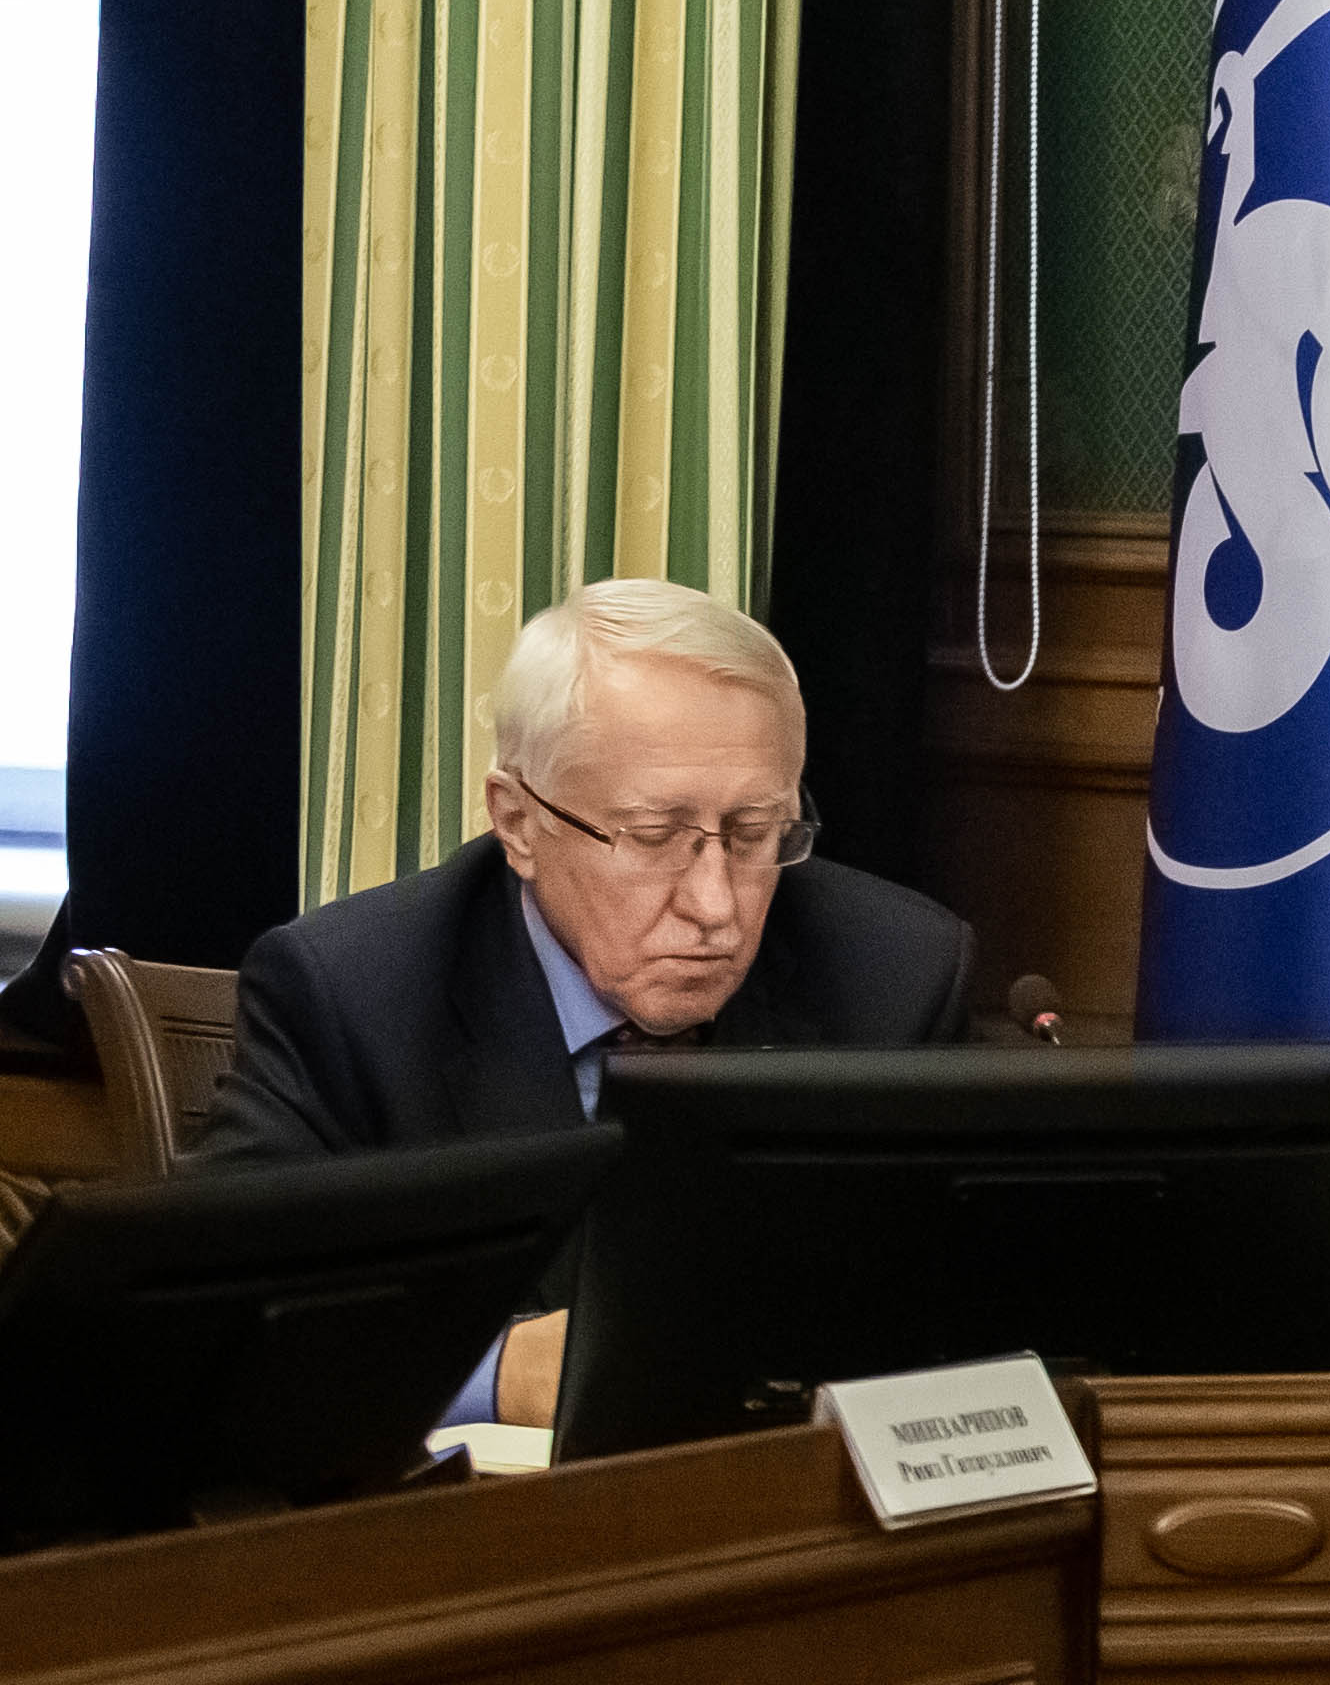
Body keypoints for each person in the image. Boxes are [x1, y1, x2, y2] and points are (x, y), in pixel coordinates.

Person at [200, 580, 978, 1427]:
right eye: (654, 837)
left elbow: (965, 1307)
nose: (715, 904)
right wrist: (497, 1373)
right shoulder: (351, 993)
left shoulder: (895, 975)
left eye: (753, 834)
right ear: (517, 821)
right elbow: (227, 1327)